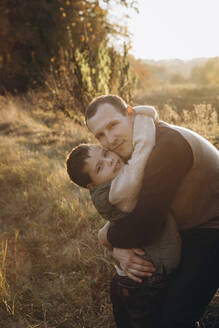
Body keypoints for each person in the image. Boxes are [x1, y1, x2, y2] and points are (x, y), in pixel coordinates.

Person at [85, 94, 219, 328]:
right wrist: (118, 243)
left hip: (212, 227)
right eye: (100, 135)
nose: (110, 139)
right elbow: (138, 208)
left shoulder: (166, 146)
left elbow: (144, 225)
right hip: (181, 226)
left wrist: (107, 238)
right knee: (124, 289)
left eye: (113, 125)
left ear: (130, 113)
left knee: (173, 318)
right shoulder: (138, 148)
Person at [66, 106, 181, 327]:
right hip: (142, 281)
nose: (110, 161)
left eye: (106, 154)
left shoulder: (113, 175)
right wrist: (144, 115)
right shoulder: (115, 190)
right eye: (100, 167)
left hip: (136, 277)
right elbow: (142, 151)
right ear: (92, 186)